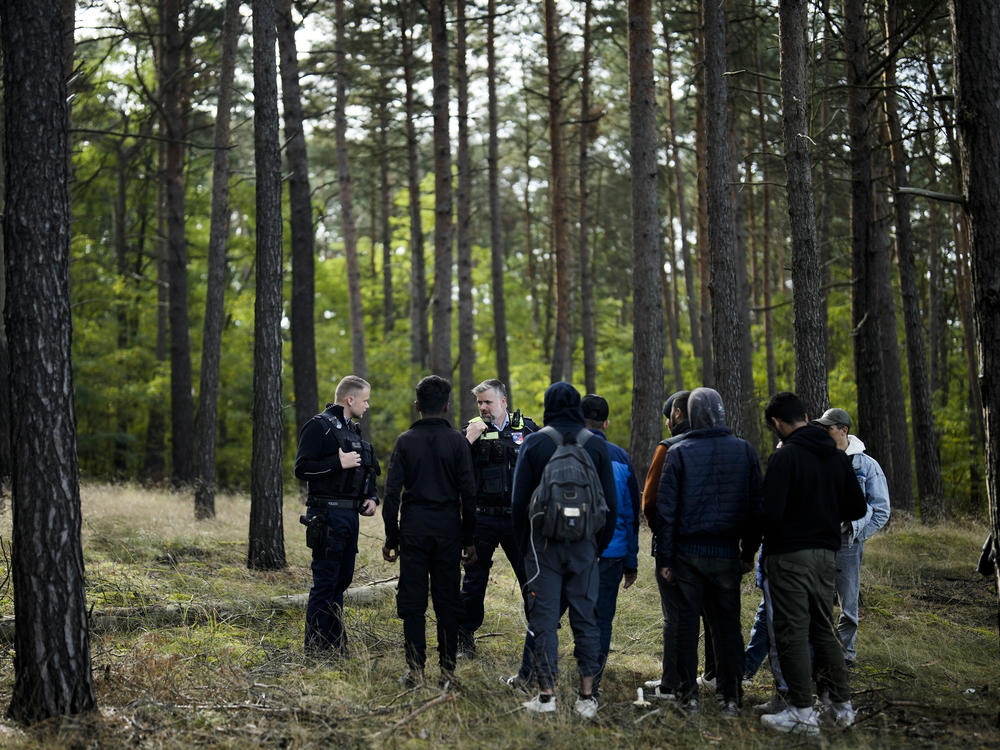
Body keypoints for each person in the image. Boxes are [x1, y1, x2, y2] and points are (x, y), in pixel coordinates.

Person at [759, 392, 866, 735]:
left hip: (790, 556)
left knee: (791, 631)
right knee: (823, 629)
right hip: (826, 555)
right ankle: (842, 706)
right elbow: (857, 509)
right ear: (806, 415)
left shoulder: (785, 458)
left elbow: (770, 514)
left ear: (777, 423)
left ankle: (802, 712)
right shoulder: (837, 457)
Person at [510, 382, 617, 719]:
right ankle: (587, 697)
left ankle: (546, 696)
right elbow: (609, 506)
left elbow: (518, 503)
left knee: (543, 620)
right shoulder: (596, 445)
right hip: (585, 546)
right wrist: (596, 547)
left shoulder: (536, 442)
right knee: (587, 619)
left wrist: (525, 547)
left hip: (543, 548)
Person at [655, 387, 763, 717]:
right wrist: (748, 551)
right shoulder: (744, 451)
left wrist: (666, 559)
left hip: (688, 555)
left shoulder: (680, 452)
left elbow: (666, 512)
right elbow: (755, 508)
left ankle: (688, 697)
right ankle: (730, 696)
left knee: (687, 627)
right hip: (726, 554)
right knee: (727, 627)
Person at [381, 375, 478, 688]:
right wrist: (468, 539)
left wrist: (391, 537)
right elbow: (469, 494)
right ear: (447, 406)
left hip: (414, 531)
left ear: (417, 406)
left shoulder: (405, 441)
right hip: (449, 530)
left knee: (412, 601)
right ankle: (448, 674)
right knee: (448, 601)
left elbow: (391, 494)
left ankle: (416, 671)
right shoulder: (458, 443)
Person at [295, 375, 379, 655]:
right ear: (350, 399)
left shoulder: (352, 431)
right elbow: (301, 468)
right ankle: (316, 648)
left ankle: (334, 645)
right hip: (325, 516)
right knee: (326, 582)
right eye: (365, 400)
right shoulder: (319, 427)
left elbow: (363, 472)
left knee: (342, 581)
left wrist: (371, 499)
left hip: (349, 517)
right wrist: (336, 463)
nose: (367, 406)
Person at [457, 379, 538, 661]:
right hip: (482, 519)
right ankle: (464, 636)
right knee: (474, 579)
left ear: (504, 402)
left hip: (518, 519)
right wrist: (469, 439)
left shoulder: (527, 429)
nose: (483, 408)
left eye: (488, 402)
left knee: (531, 577)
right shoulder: (471, 430)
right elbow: (453, 468)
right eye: (479, 403)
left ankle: (539, 635)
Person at [813, 407, 890, 666]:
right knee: (817, 599)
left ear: (843, 430)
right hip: (820, 542)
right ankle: (820, 654)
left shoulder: (866, 465)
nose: (823, 432)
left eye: (828, 428)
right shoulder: (817, 460)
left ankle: (846, 655)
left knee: (848, 605)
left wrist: (859, 535)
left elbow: (881, 509)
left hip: (848, 543)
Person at [580, 394, 640, 693]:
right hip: (611, 553)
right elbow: (629, 513)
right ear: (606, 422)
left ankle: (538, 676)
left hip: (571, 549)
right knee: (601, 618)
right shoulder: (620, 457)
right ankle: (594, 679)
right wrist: (631, 561)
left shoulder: (565, 449)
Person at [641, 390, 690, 699]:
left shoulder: (668, 448)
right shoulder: (731, 445)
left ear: (677, 415)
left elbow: (650, 501)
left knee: (674, 616)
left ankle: (671, 682)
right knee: (714, 616)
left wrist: (662, 532)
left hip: (674, 546)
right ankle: (716, 678)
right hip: (719, 548)